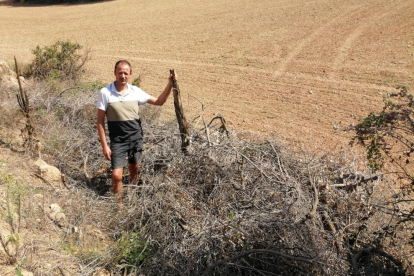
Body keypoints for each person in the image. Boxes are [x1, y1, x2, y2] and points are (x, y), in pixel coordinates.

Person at [96, 60, 174, 207]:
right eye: (120, 72)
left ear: (130, 74)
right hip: (118, 141)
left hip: (135, 138)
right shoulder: (105, 92)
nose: (123, 76)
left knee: (134, 170)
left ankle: (132, 200)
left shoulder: (135, 91)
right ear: (114, 73)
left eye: (126, 73)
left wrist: (170, 84)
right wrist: (105, 146)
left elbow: (159, 101)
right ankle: (118, 207)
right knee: (116, 175)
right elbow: (100, 121)